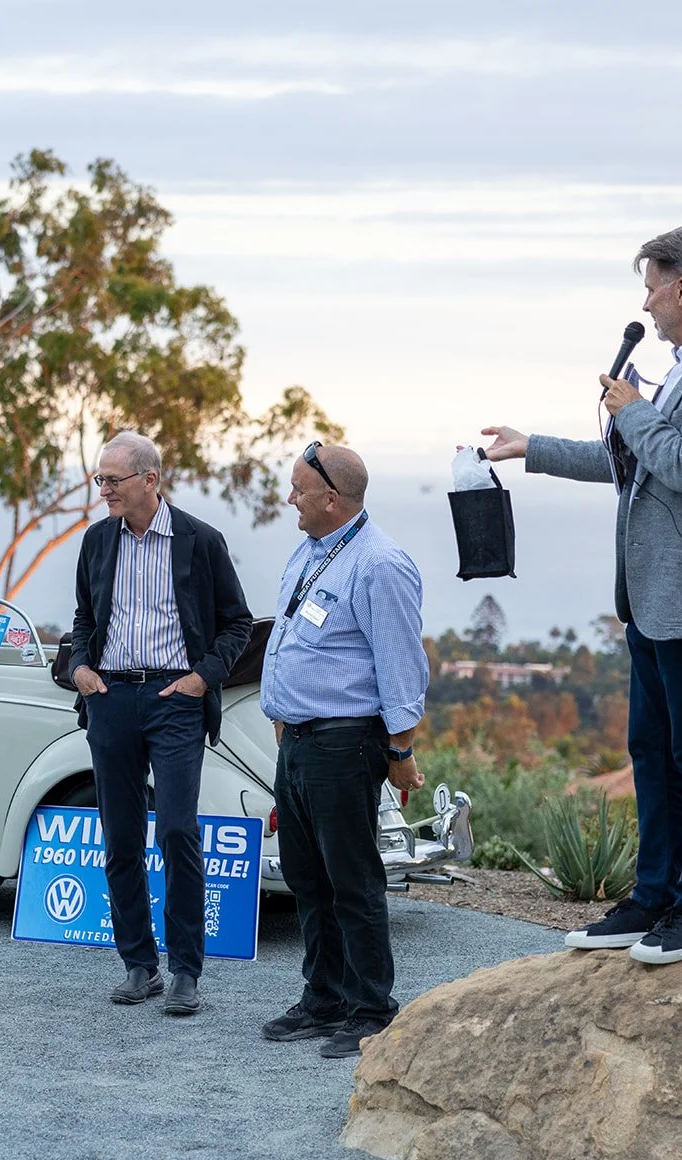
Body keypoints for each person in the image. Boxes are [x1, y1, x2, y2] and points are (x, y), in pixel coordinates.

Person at [480, 221, 682, 965]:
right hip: (651, 598)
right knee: (651, 747)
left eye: (650, 285)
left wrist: (631, 409)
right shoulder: (680, 366)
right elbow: (634, 462)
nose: (645, 300)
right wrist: (534, 447)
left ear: (681, 286)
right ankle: (653, 895)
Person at [67, 432, 254, 1015]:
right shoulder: (98, 541)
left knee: (177, 830)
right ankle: (138, 965)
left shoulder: (201, 541)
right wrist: (79, 667)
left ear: (150, 480)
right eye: (99, 480)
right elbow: (83, 618)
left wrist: (203, 678)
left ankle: (185, 971)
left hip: (176, 699)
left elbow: (237, 624)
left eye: (112, 480)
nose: (103, 492)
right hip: (112, 697)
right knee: (120, 835)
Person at [258, 442, 428, 1059]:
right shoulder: (311, 553)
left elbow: (401, 664)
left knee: (351, 880)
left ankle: (371, 1009)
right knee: (307, 878)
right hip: (299, 742)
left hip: (344, 744)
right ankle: (322, 997)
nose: (290, 499)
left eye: (298, 490)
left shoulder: (380, 563)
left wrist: (399, 748)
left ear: (332, 498)